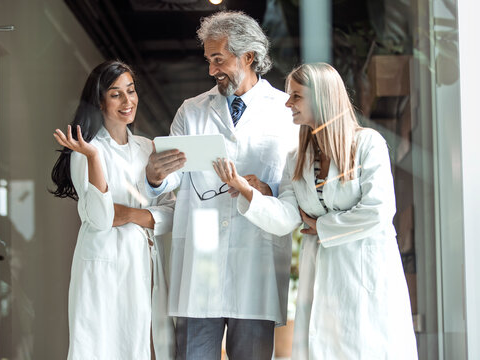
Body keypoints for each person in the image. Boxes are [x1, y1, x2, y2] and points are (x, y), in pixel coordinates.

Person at [213, 62, 418, 359]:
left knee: (367, 348)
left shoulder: (368, 144)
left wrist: (322, 227)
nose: (288, 103)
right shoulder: (297, 158)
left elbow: (378, 211)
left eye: (296, 96)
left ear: (321, 97)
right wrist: (245, 191)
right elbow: (286, 218)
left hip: (364, 276)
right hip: (322, 278)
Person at [144, 11, 298, 360]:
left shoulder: (285, 112)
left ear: (248, 56)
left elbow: (293, 188)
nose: (212, 70)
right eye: (209, 60)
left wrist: (267, 190)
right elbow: (171, 180)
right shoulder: (192, 110)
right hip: (201, 266)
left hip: (256, 265)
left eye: (218, 59)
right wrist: (155, 176)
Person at [50, 60, 176, 360]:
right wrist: (94, 158)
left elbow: (171, 212)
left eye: (131, 91)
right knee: (102, 345)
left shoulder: (147, 148)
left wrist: (130, 215)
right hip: (104, 267)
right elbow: (101, 218)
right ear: (100, 100)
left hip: (142, 262)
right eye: (116, 93)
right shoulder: (87, 150)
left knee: (144, 344)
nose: (127, 101)